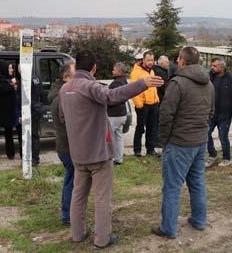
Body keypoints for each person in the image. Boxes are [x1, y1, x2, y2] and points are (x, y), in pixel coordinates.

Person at [59, 50, 163, 249]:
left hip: (78, 154)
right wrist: (142, 83)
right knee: (102, 198)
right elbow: (113, 96)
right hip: (98, 154)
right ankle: (102, 239)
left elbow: (64, 118)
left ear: (75, 66)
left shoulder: (65, 90)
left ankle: (77, 234)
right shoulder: (90, 86)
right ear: (94, 68)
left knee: (78, 195)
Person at [152, 47, 215, 239]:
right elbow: (211, 112)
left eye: (178, 58)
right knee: (197, 183)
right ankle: (199, 220)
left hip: (179, 143)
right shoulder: (209, 83)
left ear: (181, 61)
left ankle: (168, 228)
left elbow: (165, 114)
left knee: (172, 186)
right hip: (199, 141)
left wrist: (165, 140)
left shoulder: (177, 83)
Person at [48, 61, 75, 226]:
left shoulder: (60, 92)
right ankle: (67, 215)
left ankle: (69, 213)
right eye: (75, 74)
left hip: (66, 146)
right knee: (72, 182)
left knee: (71, 180)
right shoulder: (62, 97)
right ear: (66, 77)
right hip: (69, 147)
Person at [206, 58, 232, 168]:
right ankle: (213, 155)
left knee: (223, 137)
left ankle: (227, 159)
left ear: (222, 67)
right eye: (212, 65)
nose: (212, 67)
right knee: (206, 134)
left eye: (215, 66)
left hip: (225, 115)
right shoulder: (210, 77)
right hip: (211, 114)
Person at [130, 51, 160, 157]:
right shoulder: (136, 72)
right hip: (143, 105)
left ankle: (150, 149)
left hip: (153, 103)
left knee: (152, 128)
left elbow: (153, 87)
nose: (150, 62)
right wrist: (139, 105)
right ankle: (137, 150)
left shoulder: (151, 71)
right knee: (140, 128)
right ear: (143, 60)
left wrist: (157, 100)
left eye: (152, 60)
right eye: (148, 60)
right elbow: (133, 90)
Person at [0, 61, 19, 159]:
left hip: (15, 109)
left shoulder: (12, 79)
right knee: (8, 133)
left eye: (12, 68)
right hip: (6, 111)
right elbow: (2, 89)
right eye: (9, 68)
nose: (12, 70)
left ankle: (22, 153)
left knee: (20, 130)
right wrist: (12, 86)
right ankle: (10, 153)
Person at [107, 62, 129, 165]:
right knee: (119, 137)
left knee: (109, 138)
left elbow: (109, 98)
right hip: (122, 114)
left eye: (114, 69)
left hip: (113, 114)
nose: (112, 71)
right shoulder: (124, 81)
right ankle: (119, 158)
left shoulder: (116, 83)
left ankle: (110, 158)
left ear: (119, 71)